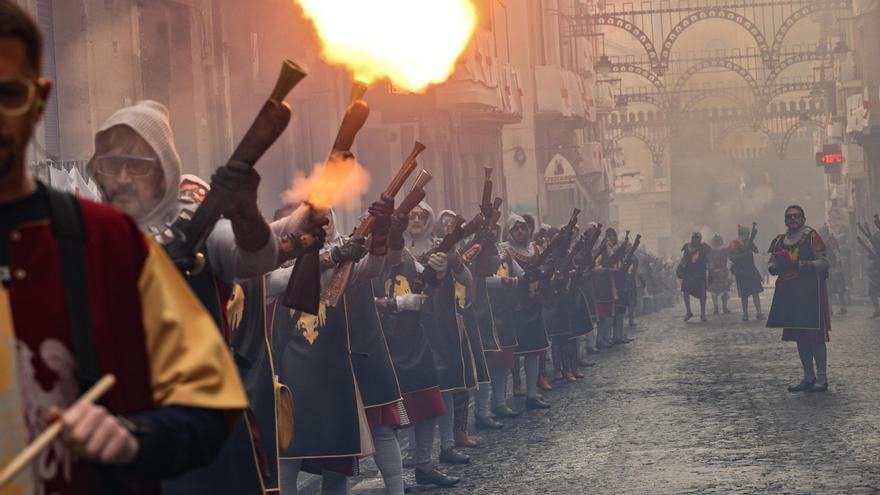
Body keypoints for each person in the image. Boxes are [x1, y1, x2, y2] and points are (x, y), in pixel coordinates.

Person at [0, 4, 248, 493]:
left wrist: (135, 436)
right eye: (116, 166)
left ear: (38, 99)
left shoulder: (106, 242)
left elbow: (207, 402)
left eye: (7, 94)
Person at [86, 100, 282, 494]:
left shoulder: (199, 226)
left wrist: (245, 210)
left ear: (163, 167)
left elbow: (259, 257)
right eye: (111, 165)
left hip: (199, 426)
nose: (122, 178)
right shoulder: (87, 234)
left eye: (136, 165)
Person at [376, 210, 458, 489]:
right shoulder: (368, 265)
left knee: (428, 405)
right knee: (388, 417)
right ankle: (394, 477)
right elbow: (360, 303)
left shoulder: (410, 260)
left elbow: (432, 283)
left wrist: (441, 267)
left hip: (414, 342)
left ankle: (424, 465)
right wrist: (397, 304)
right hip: (382, 346)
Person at [766, 205, 830, 393]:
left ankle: (822, 378)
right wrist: (774, 267)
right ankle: (808, 377)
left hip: (810, 294)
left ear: (803, 217)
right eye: (789, 217)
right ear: (785, 220)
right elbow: (771, 262)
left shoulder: (811, 236)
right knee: (800, 338)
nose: (793, 220)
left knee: (815, 336)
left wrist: (803, 264)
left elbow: (825, 263)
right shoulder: (779, 241)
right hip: (790, 295)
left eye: (796, 216)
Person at [500, 214, 551, 410]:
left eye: (523, 228)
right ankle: (503, 398)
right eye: (515, 228)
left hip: (533, 303)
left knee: (534, 351)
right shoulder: (504, 250)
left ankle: (531, 393)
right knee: (510, 354)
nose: (520, 231)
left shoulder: (534, 250)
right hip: (514, 306)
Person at [729, 224, 765, 321]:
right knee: (744, 295)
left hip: (751, 270)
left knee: (755, 293)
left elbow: (756, 251)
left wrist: (750, 243)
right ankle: (745, 314)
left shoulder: (749, 242)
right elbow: (732, 258)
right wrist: (743, 254)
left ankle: (759, 313)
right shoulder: (734, 243)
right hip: (741, 272)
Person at [677, 232, 711, 322]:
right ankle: (688, 311)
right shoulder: (687, 247)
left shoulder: (703, 247)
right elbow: (684, 259)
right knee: (685, 291)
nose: (695, 240)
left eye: (697, 238)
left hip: (700, 273)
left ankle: (703, 314)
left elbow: (708, 259)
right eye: (694, 238)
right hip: (689, 273)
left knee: (703, 294)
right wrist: (680, 266)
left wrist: (710, 271)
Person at [707, 234, 731, 315]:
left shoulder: (710, 251)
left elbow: (709, 262)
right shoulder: (724, 250)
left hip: (715, 272)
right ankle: (724, 307)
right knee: (724, 290)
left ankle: (716, 307)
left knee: (715, 291)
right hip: (722, 272)